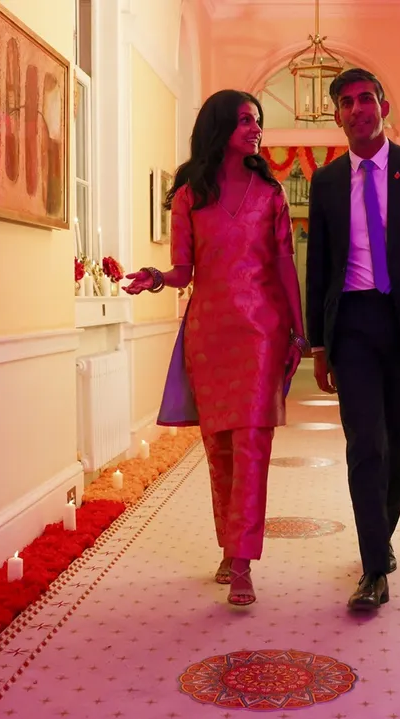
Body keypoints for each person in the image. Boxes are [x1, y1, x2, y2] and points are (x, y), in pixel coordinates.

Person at [124, 90, 308, 607]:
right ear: (221, 126)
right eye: (247, 119)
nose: (256, 128)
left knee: (252, 445)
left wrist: (298, 333)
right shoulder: (191, 196)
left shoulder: (271, 195)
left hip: (261, 333)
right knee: (220, 449)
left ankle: (244, 561)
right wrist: (157, 276)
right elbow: (185, 271)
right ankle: (229, 545)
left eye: (258, 120)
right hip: (209, 333)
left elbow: (283, 269)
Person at [306, 68, 400, 611]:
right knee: (363, 445)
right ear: (337, 115)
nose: (356, 110)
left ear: (383, 104)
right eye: (345, 103)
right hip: (352, 324)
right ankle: (374, 566)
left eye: (364, 99)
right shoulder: (326, 183)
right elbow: (318, 267)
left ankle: (381, 538)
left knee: (398, 443)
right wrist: (319, 346)